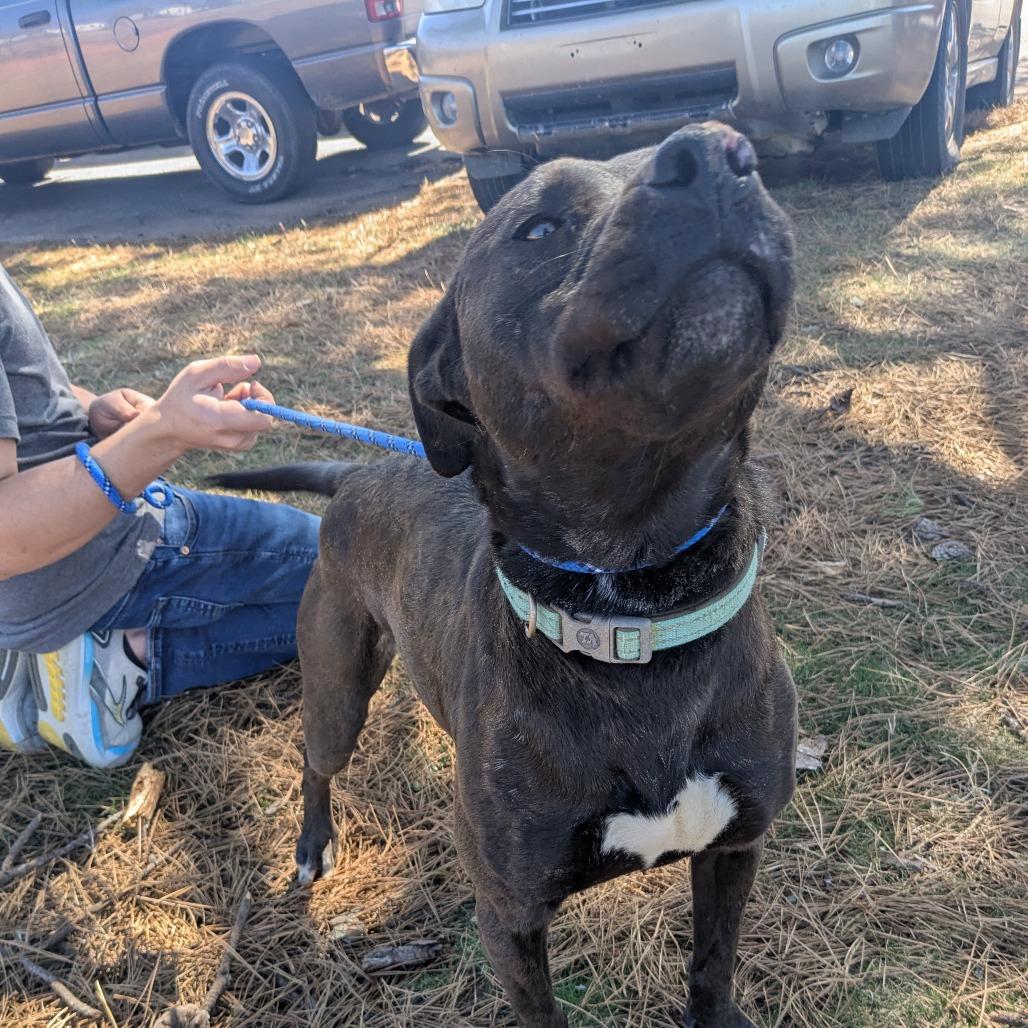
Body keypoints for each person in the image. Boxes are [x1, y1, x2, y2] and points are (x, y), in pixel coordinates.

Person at [0, 262, 320, 768]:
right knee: (350, 577)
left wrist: (90, 409)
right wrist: (161, 433)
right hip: (92, 554)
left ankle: (43, 646)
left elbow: (22, 390)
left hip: (33, 587)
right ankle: (110, 660)